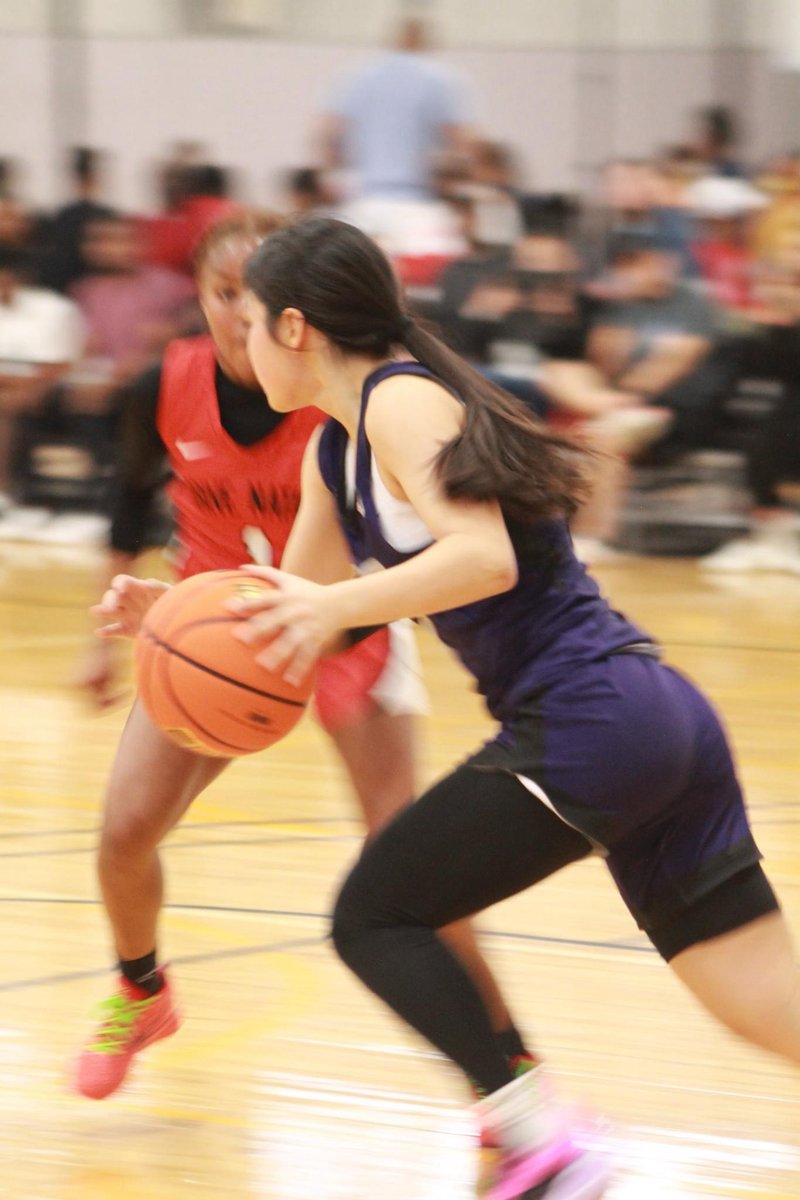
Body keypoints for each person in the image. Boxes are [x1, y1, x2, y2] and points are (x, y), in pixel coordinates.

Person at [230, 217, 799, 1200]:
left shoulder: (400, 401)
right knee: (763, 1003)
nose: (231, 345)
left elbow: (479, 557)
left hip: (593, 715)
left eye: (239, 321)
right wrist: (170, 619)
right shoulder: (335, 453)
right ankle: (536, 1135)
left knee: (375, 913)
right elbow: (293, 621)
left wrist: (330, 604)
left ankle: (541, 1138)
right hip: (644, 721)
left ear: (290, 327)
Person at [73, 211, 532, 1107]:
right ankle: (141, 988)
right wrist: (127, 612)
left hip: (349, 623)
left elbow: (428, 554)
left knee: (410, 865)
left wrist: (333, 613)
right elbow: (129, 496)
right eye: (224, 293)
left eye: (259, 294)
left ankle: (503, 1068)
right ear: (200, 297)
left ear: (299, 313)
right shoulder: (167, 386)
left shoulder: (347, 407)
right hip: (219, 634)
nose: (243, 314)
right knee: (124, 831)